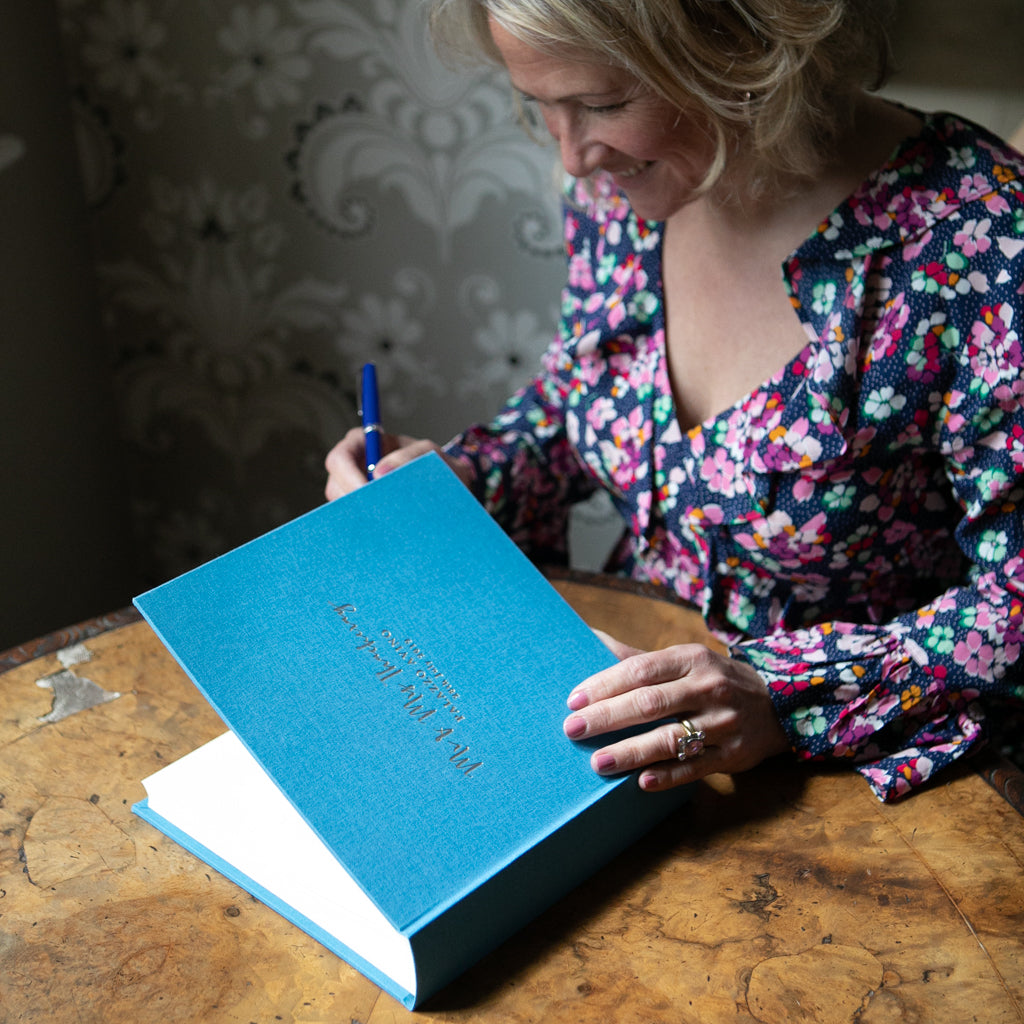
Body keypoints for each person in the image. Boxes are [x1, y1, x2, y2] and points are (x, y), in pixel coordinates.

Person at [325, 0, 1024, 802]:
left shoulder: (987, 247)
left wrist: (782, 696)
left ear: (741, 47)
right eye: (538, 106)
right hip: (630, 735)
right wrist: (457, 482)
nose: (573, 156)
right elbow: (582, 400)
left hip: (865, 787)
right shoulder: (620, 196)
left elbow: (1015, 604)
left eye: (601, 104)